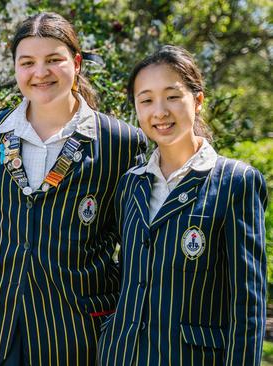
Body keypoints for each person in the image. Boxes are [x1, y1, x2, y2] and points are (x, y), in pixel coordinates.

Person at [0, 12, 147, 365]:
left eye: (53, 60)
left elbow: (134, 243)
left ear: (75, 63)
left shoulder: (120, 142)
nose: (39, 72)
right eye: (27, 62)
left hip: (75, 329)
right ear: (15, 68)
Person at [96, 45, 267, 365]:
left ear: (198, 100)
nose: (159, 111)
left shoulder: (235, 182)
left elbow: (247, 304)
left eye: (172, 96)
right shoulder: (130, 183)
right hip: (121, 355)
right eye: (146, 100)